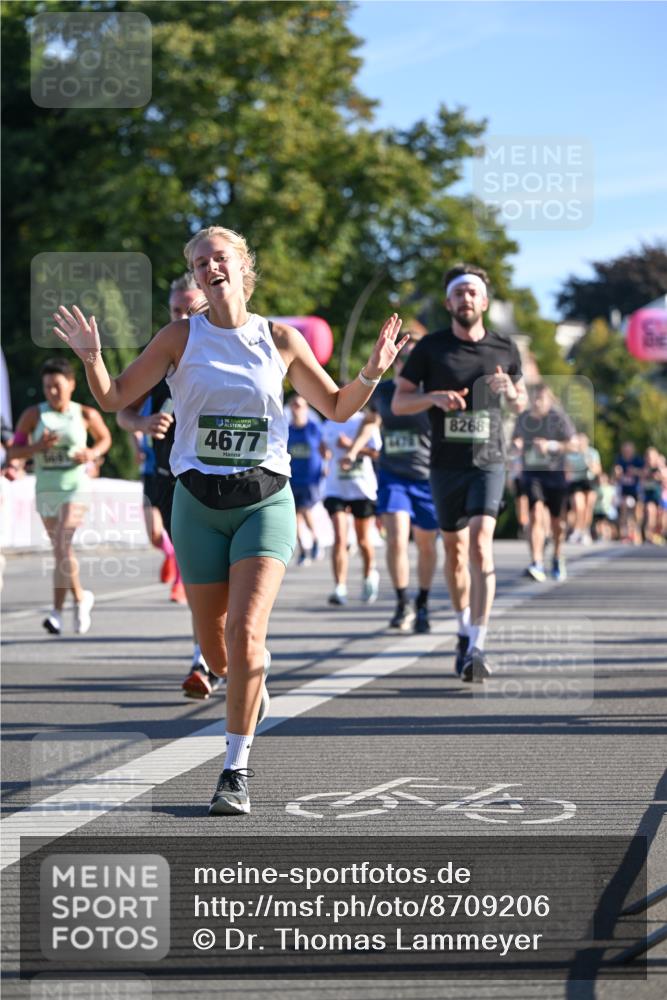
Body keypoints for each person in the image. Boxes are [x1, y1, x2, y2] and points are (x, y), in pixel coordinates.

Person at [53, 224, 406, 815]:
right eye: (198, 263)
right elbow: (114, 400)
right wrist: (91, 359)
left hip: (264, 500)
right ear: (194, 277)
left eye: (219, 258)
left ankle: (234, 769)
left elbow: (340, 406)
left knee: (246, 636)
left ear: (243, 266)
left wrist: (372, 371)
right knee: (217, 654)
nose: (208, 268)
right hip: (195, 504)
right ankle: (246, 684)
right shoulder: (178, 337)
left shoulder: (282, 340)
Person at [393, 264, 527, 682]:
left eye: (473, 292)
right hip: (445, 464)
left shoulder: (505, 348)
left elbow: (521, 403)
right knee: (453, 551)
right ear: (449, 302)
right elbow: (399, 403)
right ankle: (463, 627)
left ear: (484, 301)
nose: (466, 299)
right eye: (459, 293)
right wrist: (433, 397)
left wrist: (513, 393)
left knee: (480, 546)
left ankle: (478, 644)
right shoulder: (430, 349)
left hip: (489, 460)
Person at [117, 273, 224, 699]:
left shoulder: (224, 355)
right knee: (202, 579)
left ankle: (222, 653)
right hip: (170, 481)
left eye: (192, 309)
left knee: (222, 580)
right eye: (177, 310)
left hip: (222, 483)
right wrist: (143, 423)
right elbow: (121, 407)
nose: (183, 317)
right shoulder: (161, 357)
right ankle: (207, 656)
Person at [8, 357, 111, 634]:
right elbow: (14, 452)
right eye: (47, 387)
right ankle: (76, 600)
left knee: (62, 545)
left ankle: (58, 611)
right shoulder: (33, 415)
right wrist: (37, 447)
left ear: (71, 385)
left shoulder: (85, 414)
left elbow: (105, 439)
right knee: (61, 552)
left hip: (75, 487)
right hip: (46, 488)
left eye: (57, 386)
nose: (52, 392)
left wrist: (91, 453)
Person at [343, 334, 438, 632]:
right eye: (400, 357)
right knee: (396, 536)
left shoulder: (428, 392)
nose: (404, 363)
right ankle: (402, 601)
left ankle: (422, 601)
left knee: (425, 543)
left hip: (426, 477)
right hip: (393, 475)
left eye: (411, 358)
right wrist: (354, 450)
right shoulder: (383, 392)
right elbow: (370, 422)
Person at [512, 385, 578, 582]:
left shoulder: (558, 419)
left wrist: (551, 445)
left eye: (541, 399)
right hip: (532, 474)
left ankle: (557, 556)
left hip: (555, 475)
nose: (537, 403)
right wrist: (516, 444)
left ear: (549, 401)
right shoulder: (523, 419)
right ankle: (537, 562)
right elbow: (514, 439)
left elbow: (574, 444)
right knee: (535, 513)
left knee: (557, 523)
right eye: (534, 398)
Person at [320, 410, 382, 606]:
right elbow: (323, 448)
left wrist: (351, 447)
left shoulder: (365, 421)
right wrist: (325, 452)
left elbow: (377, 453)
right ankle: (340, 587)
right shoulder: (329, 422)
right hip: (335, 487)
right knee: (340, 537)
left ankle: (369, 575)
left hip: (361, 488)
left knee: (363, 540)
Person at [286, 393, 324, 565]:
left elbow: (324, 447)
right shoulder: (287, 430)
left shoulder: (314, 428)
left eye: (299, 405)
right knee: (294, 516)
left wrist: (327, 463)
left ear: (306, 409)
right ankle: (303, 549)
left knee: (304, 510)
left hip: (310, 479)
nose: (296, 409)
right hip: (291, 478)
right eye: (293, 405)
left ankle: (315, 539)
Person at [565, 432, 601, 545]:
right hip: (576, 482)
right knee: (579, 506)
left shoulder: (592, 453)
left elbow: (598, 470)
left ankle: (585, 531)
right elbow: (567, 470)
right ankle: (577, 530)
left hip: (589, 481)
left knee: (588, 507)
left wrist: (589, 464)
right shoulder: (571, 454)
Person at [614, 441, 644, 544]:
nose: (627, 452)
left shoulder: (637, 460)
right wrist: (617, 473)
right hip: (624, 492)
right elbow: (615, 474)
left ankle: (636, 533)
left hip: (636, 491)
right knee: (624, 510)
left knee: (637, 513)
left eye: (629, 450)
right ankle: (624, 534)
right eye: (625, 451)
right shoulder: (619, 460)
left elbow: (644, 473)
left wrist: (635, 471)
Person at [640, 446, 666, 545]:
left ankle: (659, 534)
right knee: (650, 512)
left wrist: (660, 476)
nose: (650, 460)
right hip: (649, 496)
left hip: (660, 497)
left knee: (661, 519)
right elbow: (642, 482)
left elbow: (664, 479)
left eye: (652, 458)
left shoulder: (660, 468)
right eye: (648, 458)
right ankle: (649, 536)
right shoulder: (645, 469)